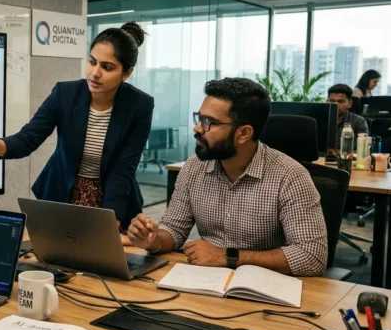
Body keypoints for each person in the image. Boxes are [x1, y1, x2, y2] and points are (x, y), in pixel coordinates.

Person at [0, 22, 153, 243]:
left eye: (107, 67)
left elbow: (123, 169)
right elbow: (28, 138)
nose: (95, 73)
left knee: (107, 263)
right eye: (92, 62)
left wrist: (110, 225)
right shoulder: (65, 94)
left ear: (127, 73)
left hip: (113, 198)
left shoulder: (139, 105)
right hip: (63, 191)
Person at [127, 78, 327, 277]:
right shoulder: (193, 168)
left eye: (209, 123)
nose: (197, 129)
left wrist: (229, 257)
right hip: (205, 283)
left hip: (264, 287)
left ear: (243, 134)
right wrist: (153, 240)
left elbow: (311, 256)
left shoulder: (290, 176)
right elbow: (173, 230)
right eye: (199, 118)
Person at [328, 84, 368, 148]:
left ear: (350, 104)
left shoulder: (358, 121)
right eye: (332, 101)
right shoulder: (319, 120)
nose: (335, 105)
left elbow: (361, 147)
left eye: (340, 102)